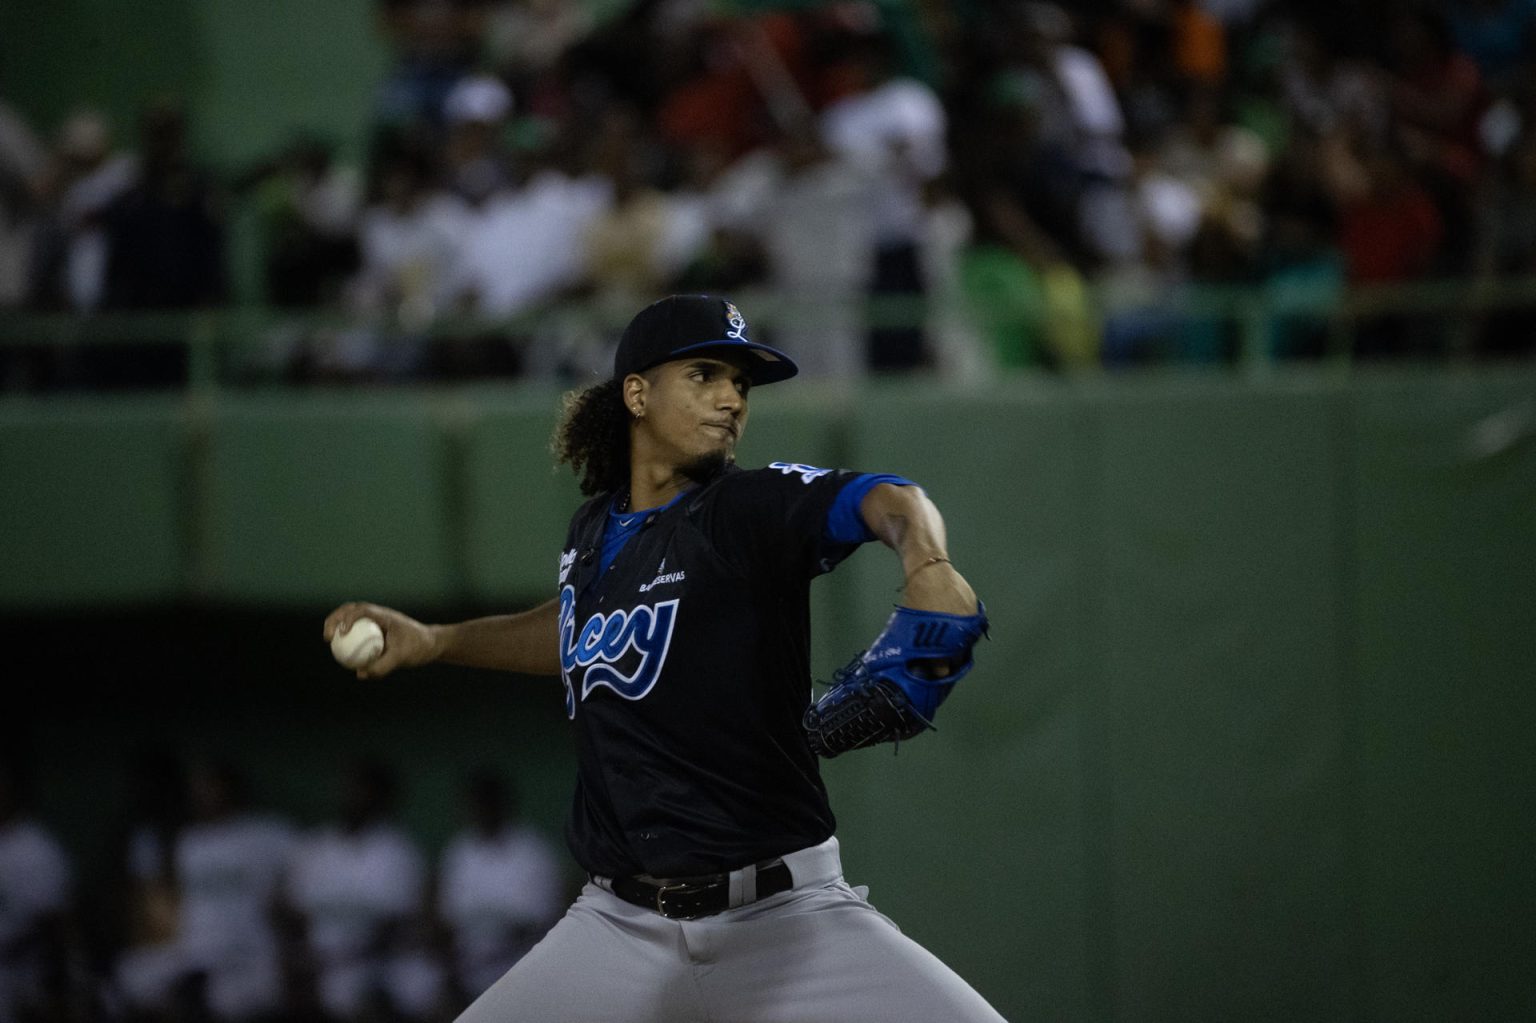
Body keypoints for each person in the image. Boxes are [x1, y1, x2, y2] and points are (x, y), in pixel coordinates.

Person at [324, 294, 1004, 1022]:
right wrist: (437, 639)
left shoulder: (745, 509)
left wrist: (927, 557)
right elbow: (579, 629)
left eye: (741, 383)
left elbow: (891, 498)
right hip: (618, 924)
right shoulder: (592, 528)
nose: (731, 398)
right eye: (706, 373)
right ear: (637, 393)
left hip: (784, 916)